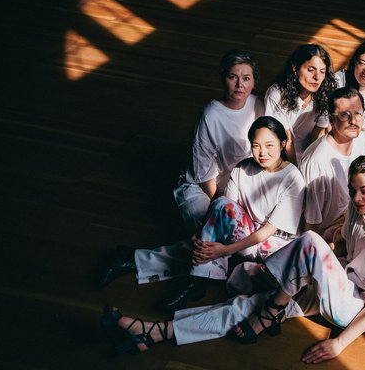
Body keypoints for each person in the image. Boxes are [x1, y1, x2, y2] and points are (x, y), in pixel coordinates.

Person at [99, 155, 365, 365]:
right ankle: (156, 332)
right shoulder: (356, 208)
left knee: (308, 243)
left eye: (364, 191)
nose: (356, 197)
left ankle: (273, 307)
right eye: (353, 190)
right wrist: (316, 267)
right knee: (247, 306)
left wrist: (339, 344)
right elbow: (343, 247)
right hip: (336, 287)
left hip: (357, 310)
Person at [98, 116, 306, 314]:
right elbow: (224, 206)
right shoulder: (243, 168)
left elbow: (268, 231)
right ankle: (194, 280)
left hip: (273, 246)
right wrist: (204, 235)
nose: (262, 153)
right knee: (214, 224)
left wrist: (224, 249)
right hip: (246, 236)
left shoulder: (292, 178)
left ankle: (134, 260)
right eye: (256, 145)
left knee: (229, 263)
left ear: (283, 143)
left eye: (270, 145)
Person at [173, 49, 265, 232]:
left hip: (240, 179)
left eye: (246, 78)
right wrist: (221, 206)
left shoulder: (259, 106)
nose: (240, 84)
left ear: (254, 82)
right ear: (223, 79)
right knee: (213, 224)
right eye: (233, 77)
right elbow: (204, 172)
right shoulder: (210, 115)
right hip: (204, 185)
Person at [298, 87, 365, 241]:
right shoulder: (317, 161)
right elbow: (311, 224)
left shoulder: (364, 140)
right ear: (331, 120)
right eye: (345, 115)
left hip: (357, 214)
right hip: (329, 231)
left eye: (357, 113)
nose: (353, 121)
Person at [265, 43, 338, 164]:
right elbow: (286, 140)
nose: (317, 77)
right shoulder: (276, 94)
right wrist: (296, 171)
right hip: (280, 154)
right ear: (295, 68)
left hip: (307, 151)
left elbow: (317, 134)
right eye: (311, 70)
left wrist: (311, 163)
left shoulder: (326, 93)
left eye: (322, 71)